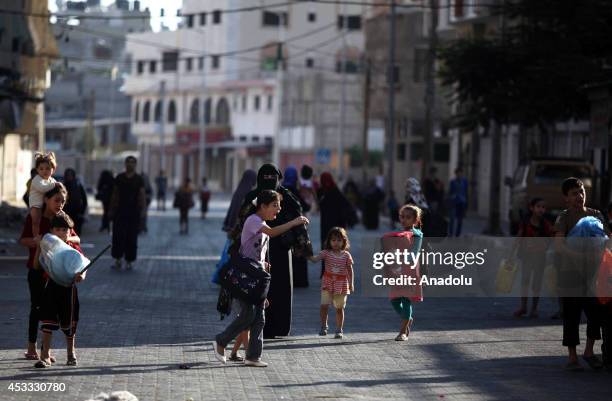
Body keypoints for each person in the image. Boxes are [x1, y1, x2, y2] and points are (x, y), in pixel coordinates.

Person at [212, 190, 309, 367]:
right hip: (246, 277)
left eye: (279, 206)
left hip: (257, 276)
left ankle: (252, 357)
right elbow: (272, 233)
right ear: (262, 206)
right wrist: (294, 222)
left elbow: (260, 251)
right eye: (275, 206)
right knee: (249, 314)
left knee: (259, 317)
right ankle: (221, 341)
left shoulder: (261, 222)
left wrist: (264, 264)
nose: (278, 210)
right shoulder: (253, 220)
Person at [231, 164, 312, 338]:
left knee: (278, 289)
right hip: (259, 252)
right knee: (260, 291)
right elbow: (242, 224)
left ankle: (272, 328)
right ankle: (256, 330)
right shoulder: (255, 197)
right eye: (265, 177)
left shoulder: (283, 197)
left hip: (280, 251)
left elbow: (299, 220)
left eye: (272, 177)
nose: (269, 180)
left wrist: (302, 243)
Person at [554, 177, 607, 371]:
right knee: (571, 315)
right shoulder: (564, 217)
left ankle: (589, 351)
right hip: (570, 274)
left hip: (593, 274)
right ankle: (572, 356)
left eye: (581, 192)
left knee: (596, 314)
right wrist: (578, 253)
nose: (580, 196)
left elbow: (606, 240)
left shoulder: (596, 215)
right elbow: (559, 246)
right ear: (566, 198)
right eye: (574, 193)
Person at [19, 183, 67, 361]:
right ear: (46, 200)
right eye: (56, 200)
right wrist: (38, 242)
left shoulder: (62, 219)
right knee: (37, 308)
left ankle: (45, 351)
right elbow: (23, 240)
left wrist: (66, 237)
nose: (59, 205)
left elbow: (76, 237)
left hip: (55, 272)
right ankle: (31, 347)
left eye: (62, 201)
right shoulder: (35, 218)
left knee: (51, 310)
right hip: (36, 270)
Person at [34, 211, 85, 368]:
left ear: (69, 232)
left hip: (68, 290)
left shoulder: (73, 249)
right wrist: (38, 249)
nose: (62, 233)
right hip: (51, 287)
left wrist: (80, 276)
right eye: (58, 229)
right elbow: (37, 265)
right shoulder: (47, 247)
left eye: (65, 230)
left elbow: (82, 269)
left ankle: (71, 354)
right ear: (52, 231)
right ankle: (45, 356)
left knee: (69, 324)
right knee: (47, 322)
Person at [511, 198, 553, 318]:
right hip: (527, 257)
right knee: (525, 281)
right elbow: (518, 238)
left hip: (540, 257)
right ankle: (523, 307)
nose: (541, 209)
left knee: (537, 283)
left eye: (543, 207)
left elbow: (551, 238)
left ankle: (534, 309)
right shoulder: (525, 222)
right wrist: (511, 255)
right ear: (532, 208)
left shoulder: (545, 224)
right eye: (538, 206)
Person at [308, 227, 354, 339]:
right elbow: (314, 259)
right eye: (333, 240)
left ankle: (339, 329)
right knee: (324, 306)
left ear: (344, 241)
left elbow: (350, 269)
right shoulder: (326, 253)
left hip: (341, 284)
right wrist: (306, 251)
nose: (336, 243)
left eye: (339, 240)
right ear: (329, 241)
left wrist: (351, 283)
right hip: (327, 283)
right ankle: (324, 326)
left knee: (339, 308)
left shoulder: (346, 255)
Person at [388, 205, 424, 341]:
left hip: (410, 272)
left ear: (415, 220)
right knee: (394, 300)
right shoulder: (397, 232)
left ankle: (402, 332)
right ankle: (407, 319)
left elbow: (414, 253)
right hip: (397, 272)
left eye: (408, 218)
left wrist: (400, 256)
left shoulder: (417, 234)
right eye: (402, 217)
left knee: (405, 300)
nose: (404, 220)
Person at [109, 156, 145, 271]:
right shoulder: (119, 178)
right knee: (118, 236)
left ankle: (129, 260)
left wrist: (143, 211)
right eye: (128, 162)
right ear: (125, 164)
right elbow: (115, 194)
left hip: (134, 213)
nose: (130, 164)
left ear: (135, 165)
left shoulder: (139, 179)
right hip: (120, 212)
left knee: (131, 237)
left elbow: (142, 195)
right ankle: (118, 259)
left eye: (132, 163)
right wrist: (111, 209)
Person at [317, 172, 356, 277]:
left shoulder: (332, 191)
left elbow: (345, 207)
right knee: (327, 248)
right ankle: (327, 272)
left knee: (334, 248)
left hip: (333, 227)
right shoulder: (324, 191)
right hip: (328, 226)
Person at [283, 166, 311, 288]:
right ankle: (299, 281)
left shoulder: (280, 190)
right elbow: (305, 207)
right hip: (297, 228)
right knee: (299, 254)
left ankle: (286, 279)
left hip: (283, 228)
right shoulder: (295, 191)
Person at [29, 152, 58, 239]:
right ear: (37, 170)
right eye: (41, 169)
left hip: (47, 205)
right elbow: (43, 188)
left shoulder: (51, 180)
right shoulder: (37, 179)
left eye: (47, 168)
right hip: (36, 204)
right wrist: (55, 185)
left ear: (53, 169)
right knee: (35, 221)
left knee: (49, 222)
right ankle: (36, 237)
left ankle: (48, 235)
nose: (44, 171)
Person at [62, 168, 88, 235]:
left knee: (76, 233)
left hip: (77, 214)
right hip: (66, 214)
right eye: (67, 175)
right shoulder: (63, 186)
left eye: (70, 175)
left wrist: (82, 212)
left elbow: (84, 199)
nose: (69, 177)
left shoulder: (78, 185)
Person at [448, 167, 468, 237]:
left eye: (460, 173)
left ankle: (457, 234)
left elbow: (466, 192)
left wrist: (466, 203)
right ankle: (451, 233)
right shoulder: (453, 182)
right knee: (452, 218)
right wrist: (451, 197)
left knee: (460, 219)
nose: (459, 174)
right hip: (454, 202)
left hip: (462, 202)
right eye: (458, 173)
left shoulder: (465, 181)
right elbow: (450, 192)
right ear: (456, 174)